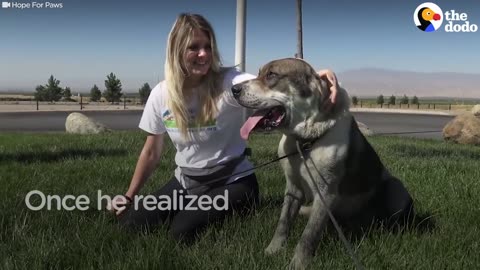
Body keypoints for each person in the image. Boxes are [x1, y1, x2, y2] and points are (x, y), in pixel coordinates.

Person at [108, 13, 339, 244]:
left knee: (181, 230)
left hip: (234, 182)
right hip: (186, 181)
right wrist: (129, 196)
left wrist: (314, 75)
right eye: (194, 47)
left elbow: (276, 80)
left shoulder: (229, 82)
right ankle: (189, 203)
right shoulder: (161, 94)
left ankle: (240, 204)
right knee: (132, 223)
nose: (204, 54)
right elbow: (151, 152)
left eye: (208, 46)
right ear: (176, 50)